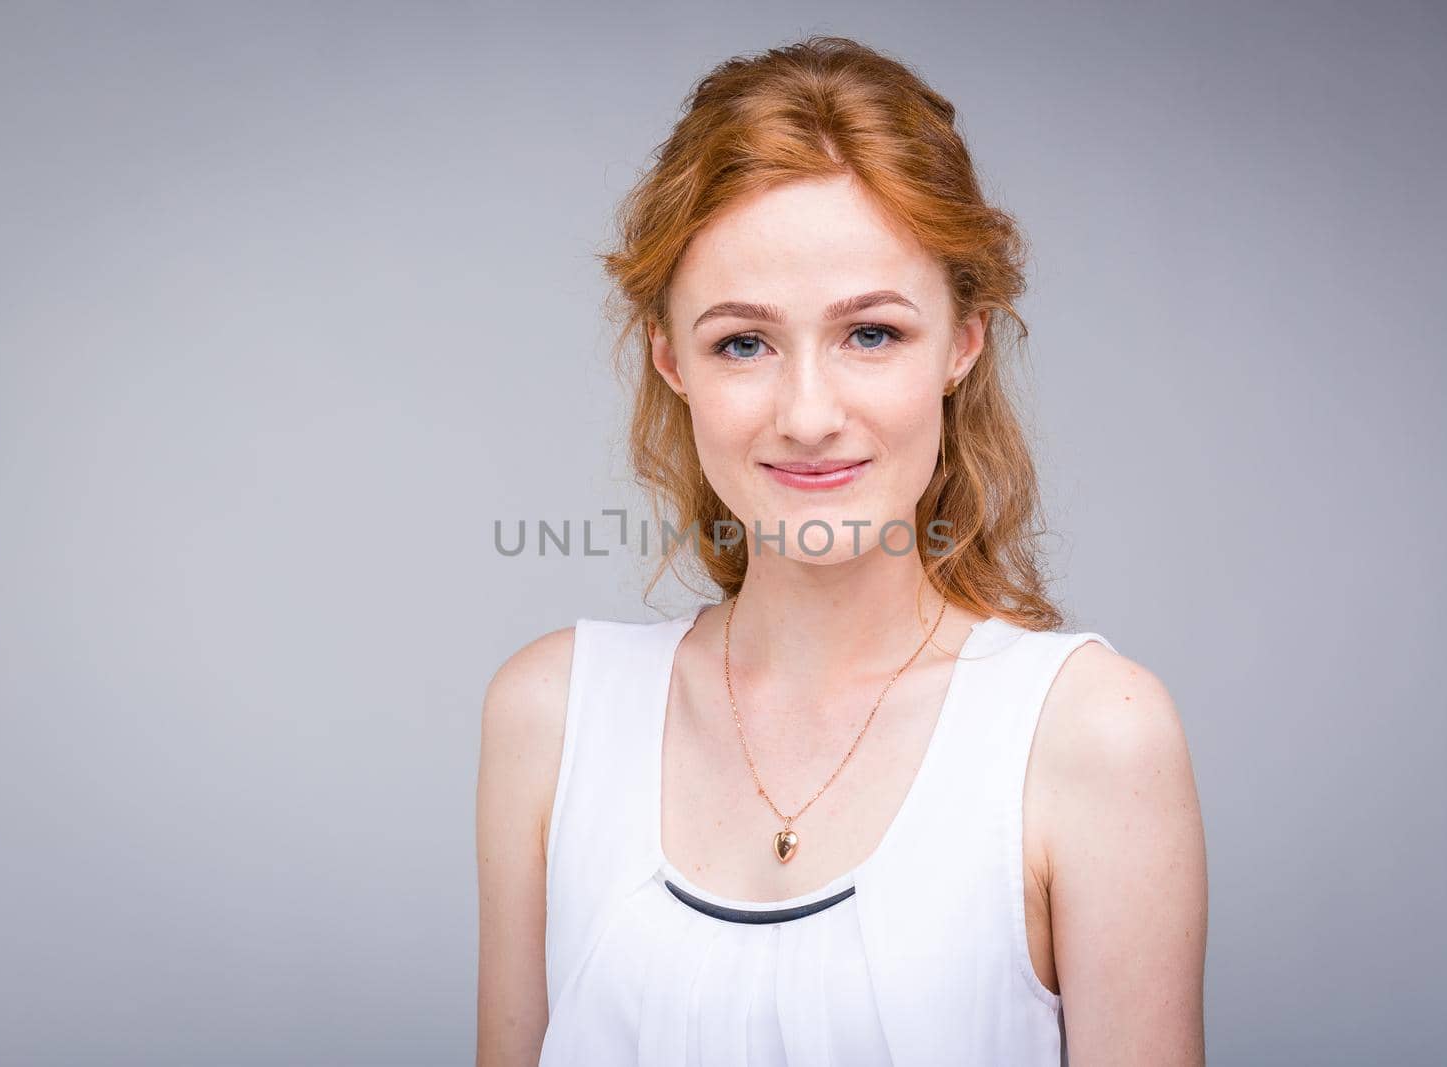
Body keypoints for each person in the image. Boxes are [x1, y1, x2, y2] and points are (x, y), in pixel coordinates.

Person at [476, 35, 1207, 1066]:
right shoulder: (548, 714)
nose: (808, 413)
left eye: (870, 333)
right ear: (668, 357)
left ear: (962, 342)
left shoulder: (1091, 733)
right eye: (743, 341)